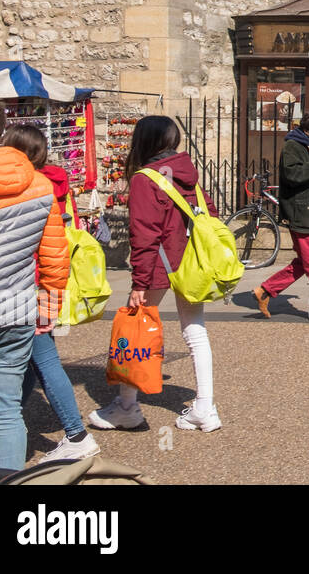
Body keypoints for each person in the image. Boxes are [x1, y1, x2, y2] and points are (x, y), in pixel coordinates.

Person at [88, 115, 223, 432]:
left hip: (160, 264)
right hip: (191, 263)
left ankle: (127, 407)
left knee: (135, 331)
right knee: (196, 333)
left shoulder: (145, 179)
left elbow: (144, 235)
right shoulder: (187, 174)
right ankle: (205, 408)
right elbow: (210, 215)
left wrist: (140, 281)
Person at [0, 97, 67, 474]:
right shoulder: (39, 184)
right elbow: (55, 257)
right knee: (5, 413)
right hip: (13, 312)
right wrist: (49, 309)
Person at [0, 125, 100, 461]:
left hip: (27, 284)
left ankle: (76, 435)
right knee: (30, 362)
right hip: (46, 283)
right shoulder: (53, 184)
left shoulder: (25, 187)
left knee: (44, 360)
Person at [253, 110, 309, 322]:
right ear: (307, 129)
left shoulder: (306, 145)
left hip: (306, 212)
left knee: (305, 263)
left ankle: (265, 290)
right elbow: (293, 175)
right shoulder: (293, 147)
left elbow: (308, 179)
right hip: (302, 214)